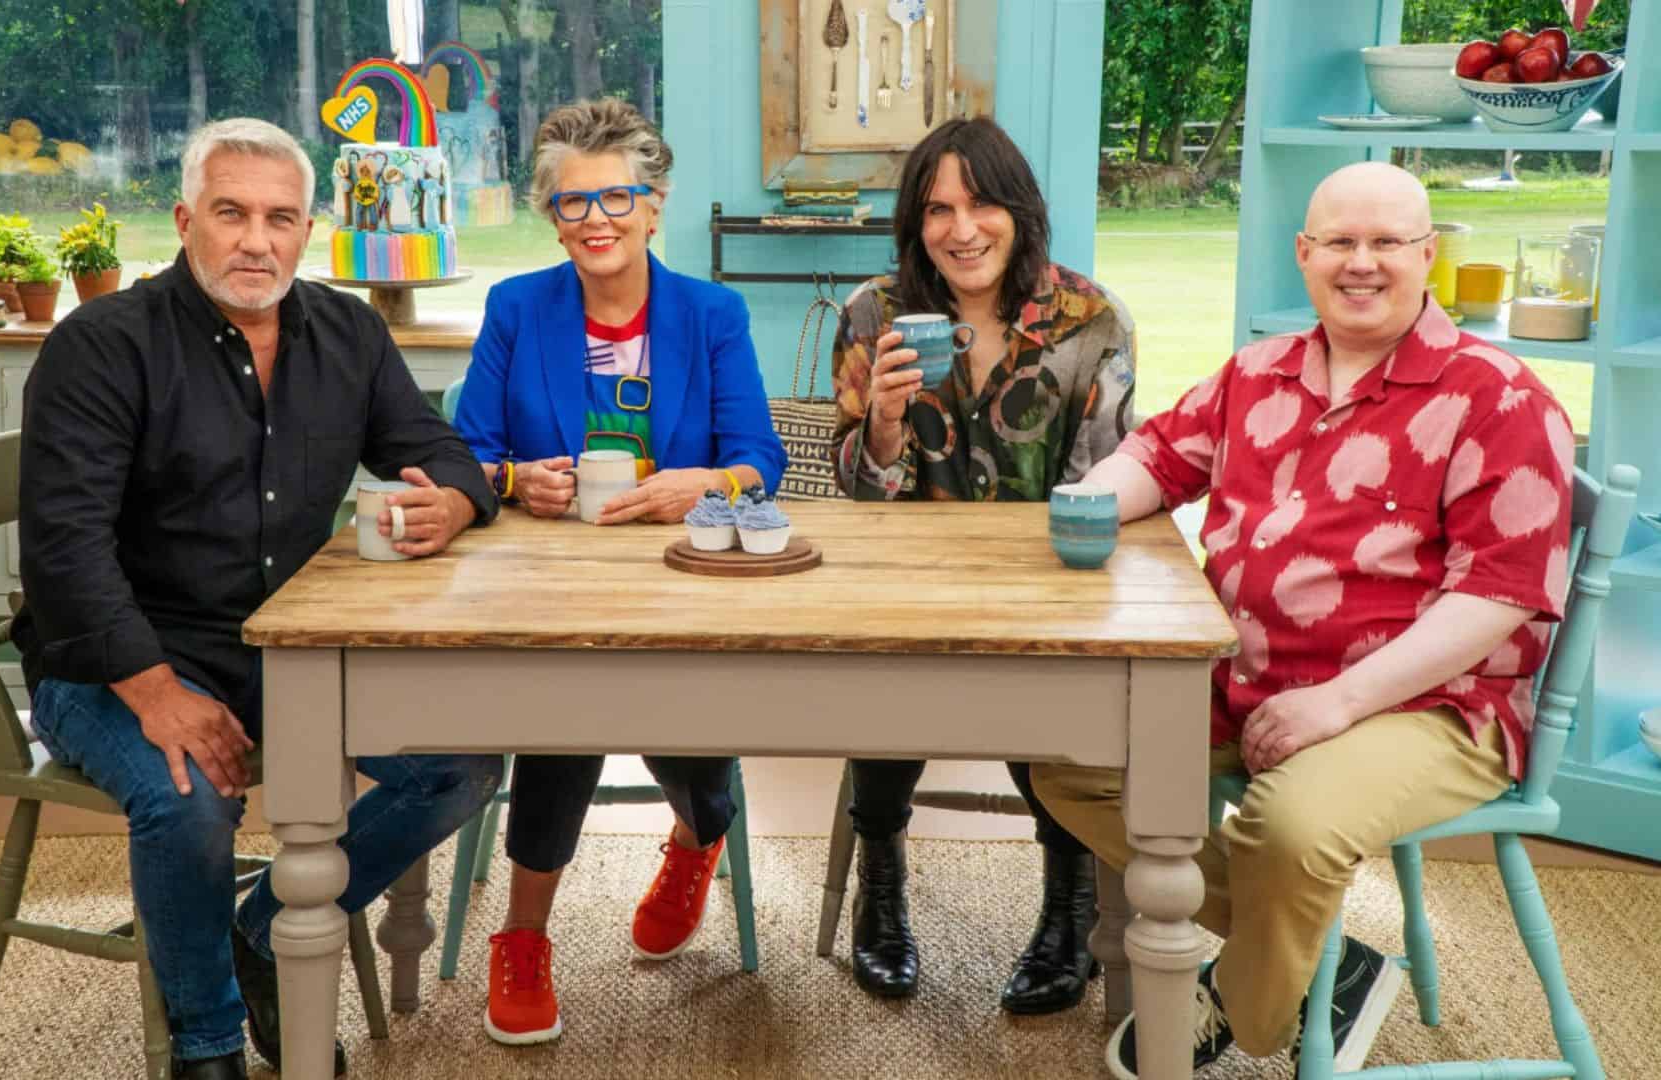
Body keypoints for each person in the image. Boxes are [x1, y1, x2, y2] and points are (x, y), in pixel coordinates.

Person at [1032, 162, 1575, 1078]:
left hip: (1430, 703)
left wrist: (1339, 704)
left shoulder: (1501, 399)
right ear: (1305, 253)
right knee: (1069, 761)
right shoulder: (1260, 373)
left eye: (1386, 243)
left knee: (1288, 831)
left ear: (1427, 255)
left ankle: (1249, 1000)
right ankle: (1301, 942)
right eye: (1339, 242)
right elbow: (1159, 455)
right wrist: (1090, 502)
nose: (1361, 264)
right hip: (1246, 675)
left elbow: (1500, 595)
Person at [14, 118, 506, 1080]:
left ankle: (268, 928)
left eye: (280, 219)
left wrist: (449, 500)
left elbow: (439, 449)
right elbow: (63, 553)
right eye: (231, 213)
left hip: (289, 652)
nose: (256, 241)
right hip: (113, 662)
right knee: (189, 801)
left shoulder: (348, 331)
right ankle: (206, 1046)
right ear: (184, 219)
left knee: (462, 762)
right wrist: (157, 692)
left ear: (308, 230)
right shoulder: (102, 345)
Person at [452, 98, 787, 1046]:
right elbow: (466, 452)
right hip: (550, 587)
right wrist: (519, 480)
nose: (595, 221)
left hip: (683, 581)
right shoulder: (516, 308)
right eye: (572, 204)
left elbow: (763, 453)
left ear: (654, 205)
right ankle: (522, 937)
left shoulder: (711, 314)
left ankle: (695, 837)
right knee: (567, 706)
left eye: (616, 199)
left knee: (683, 713)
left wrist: (706, 482)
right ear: (549, 216)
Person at [828, 116, 1136, 1012]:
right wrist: (883, 423)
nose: (962, 229)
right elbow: (855, 495)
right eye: (937, 209)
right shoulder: (874, 315)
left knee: (1059, 710)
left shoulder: (1090, 321)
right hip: (908, 589)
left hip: (1046, 589)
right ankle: (879, 885)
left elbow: (1107, 479)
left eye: (982, 202)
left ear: (1020, 208)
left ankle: (1068, 906)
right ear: (915, 224)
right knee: (885, 678)